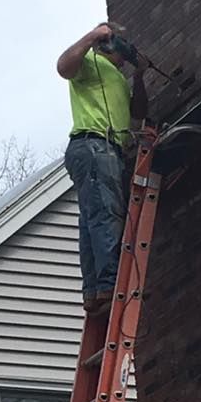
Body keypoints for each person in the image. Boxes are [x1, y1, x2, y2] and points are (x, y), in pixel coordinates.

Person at [57, 22, 150, 314]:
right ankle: (108, 284)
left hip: (106, 149)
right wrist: (94, 35)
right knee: (105, 215)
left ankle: (94, 290)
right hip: (94, 144)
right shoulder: (89, 62)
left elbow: (139, 113)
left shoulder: (118, 78)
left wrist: (139, 75)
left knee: (91, 220)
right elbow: (62, 67)